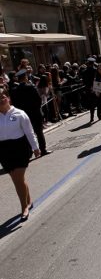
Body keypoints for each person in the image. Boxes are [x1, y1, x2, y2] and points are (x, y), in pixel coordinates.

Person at [0, 86, 40, 221]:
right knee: (18, 180)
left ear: (8, 98)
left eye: (3, 97)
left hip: (20, 148)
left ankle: (24, 207)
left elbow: (29, 132)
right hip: (3, 150)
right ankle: (29, 200)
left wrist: (35, 147)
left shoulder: (20, 114)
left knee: (18, 179)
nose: (1, 100)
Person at [10, 69, 51, 155]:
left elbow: (15, 103)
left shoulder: (15, 90)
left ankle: (29, 152)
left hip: (23, 114)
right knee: (39, 132)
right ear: (25, 77)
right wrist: (37, 109)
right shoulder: (31, 87)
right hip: (35, 113)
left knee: (26, 133)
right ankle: (43, 150)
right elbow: (38, 100)